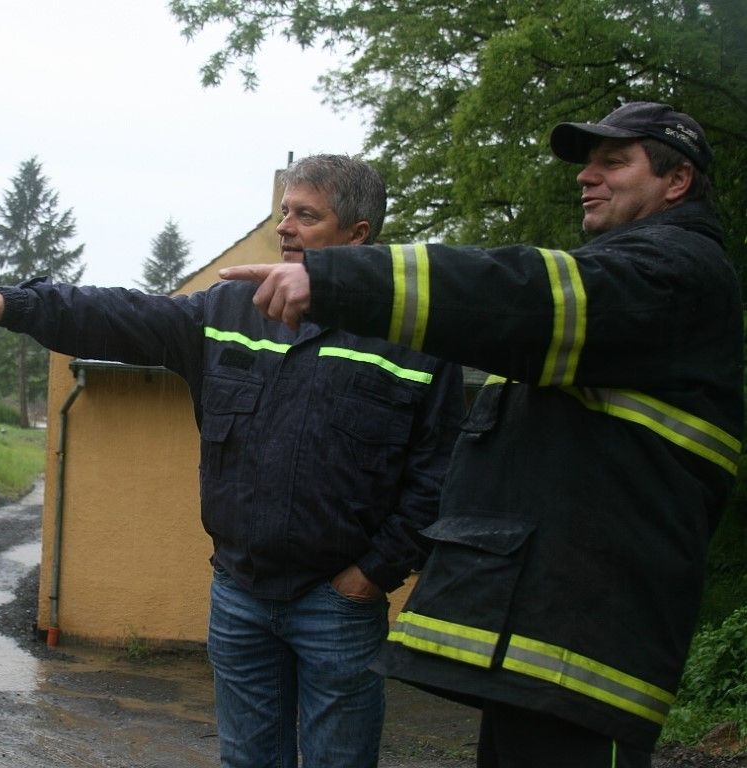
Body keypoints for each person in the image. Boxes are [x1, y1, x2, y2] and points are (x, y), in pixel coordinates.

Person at [220, 102, 743, 767]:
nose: (587, 176)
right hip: (549, 653)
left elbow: (518, 296)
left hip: (584, 656)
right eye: (587, 164)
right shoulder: (637, 284)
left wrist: (335, 281)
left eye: (613, 162)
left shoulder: (673, 273)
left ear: (676, 182)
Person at [0, 154, 466, 768]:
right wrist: (13, 305)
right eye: (284, 211)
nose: (285, 226)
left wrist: (369, 577)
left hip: (338, 606)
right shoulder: (227, 312)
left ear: (357, 234)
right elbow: (118, 313)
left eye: (306, 215)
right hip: (241, 597)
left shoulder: (413, 337)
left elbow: (438, 475)